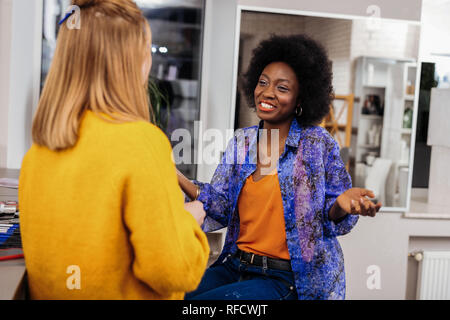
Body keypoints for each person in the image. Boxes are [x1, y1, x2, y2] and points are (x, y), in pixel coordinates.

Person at [18, 0, 209, 300]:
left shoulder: (37, 156)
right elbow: (175, 271)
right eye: (146, 50)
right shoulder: (143, 143)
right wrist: (189, 220)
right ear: (133, 64)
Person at [177, 34, 382, 300]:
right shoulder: (243, 141)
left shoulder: (317, 144)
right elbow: (221, 206)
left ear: (300, 99)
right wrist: (174, 173)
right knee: (170, 295)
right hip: (235, 265)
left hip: (288, 278)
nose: (267, 92)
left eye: (282, 88)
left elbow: (335, 222)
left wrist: (340, 205)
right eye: (263, 82)